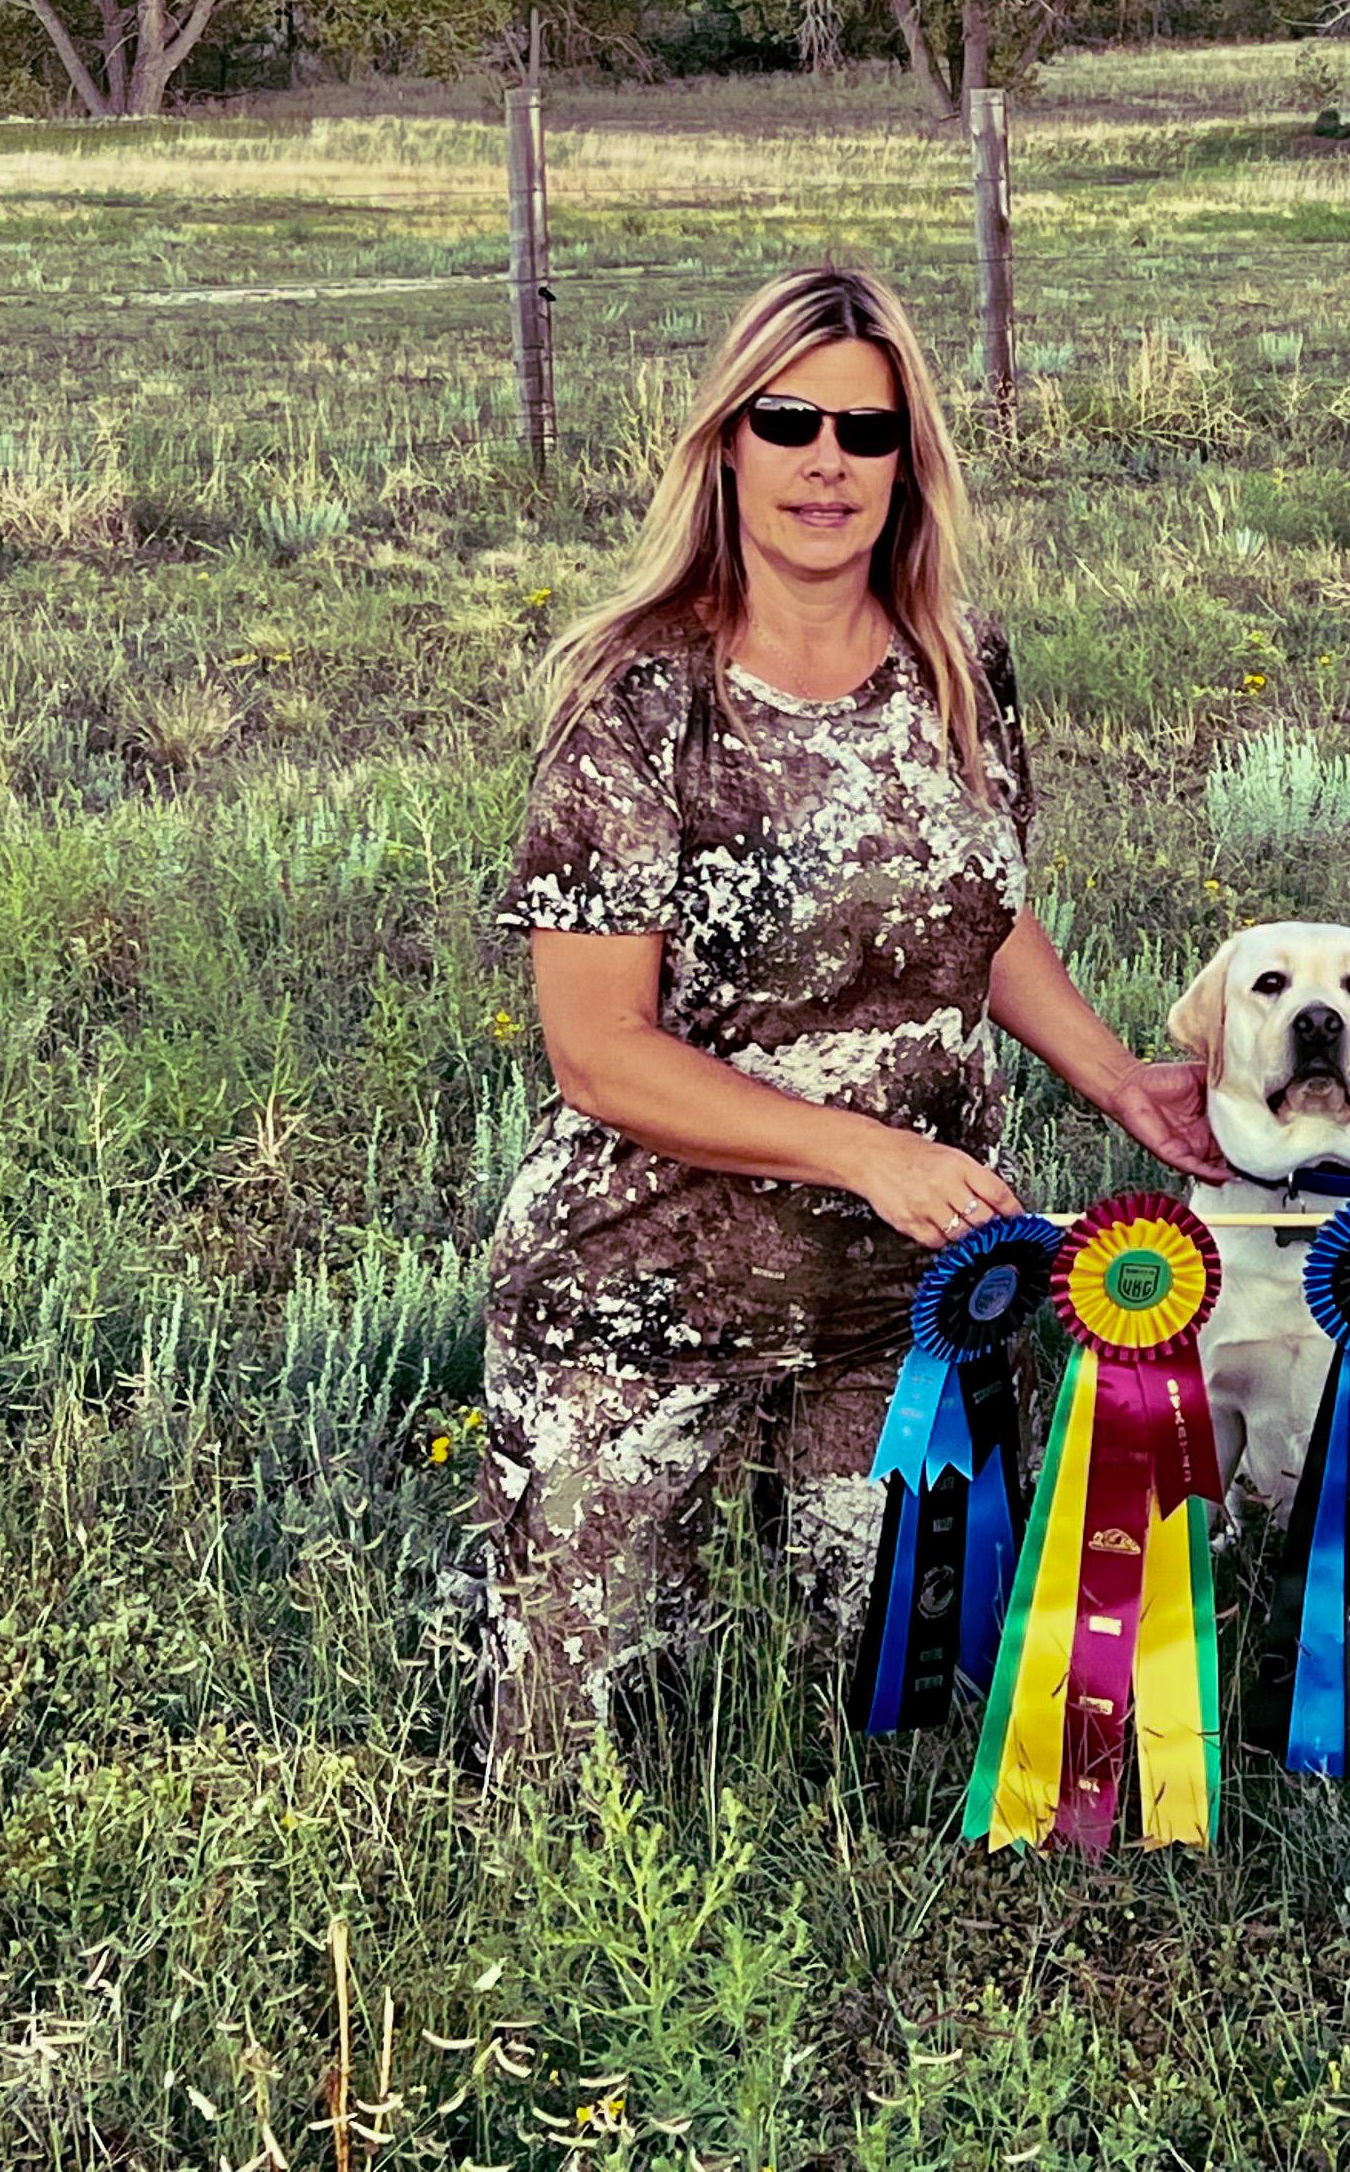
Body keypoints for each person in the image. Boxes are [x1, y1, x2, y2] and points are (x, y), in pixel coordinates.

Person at [483, 265, 1219, 1764]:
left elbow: (973, 914)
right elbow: (599, 1051)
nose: (828, 463)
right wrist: (862, 1151)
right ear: (727, 444)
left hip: (905, 1312)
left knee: (910, 1731)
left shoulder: (959, 666)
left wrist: (1118, 1083)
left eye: (867, 432)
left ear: (908, 461)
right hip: (653, 1295)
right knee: (573, 1749)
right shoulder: (638, 698)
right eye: (790, 423)